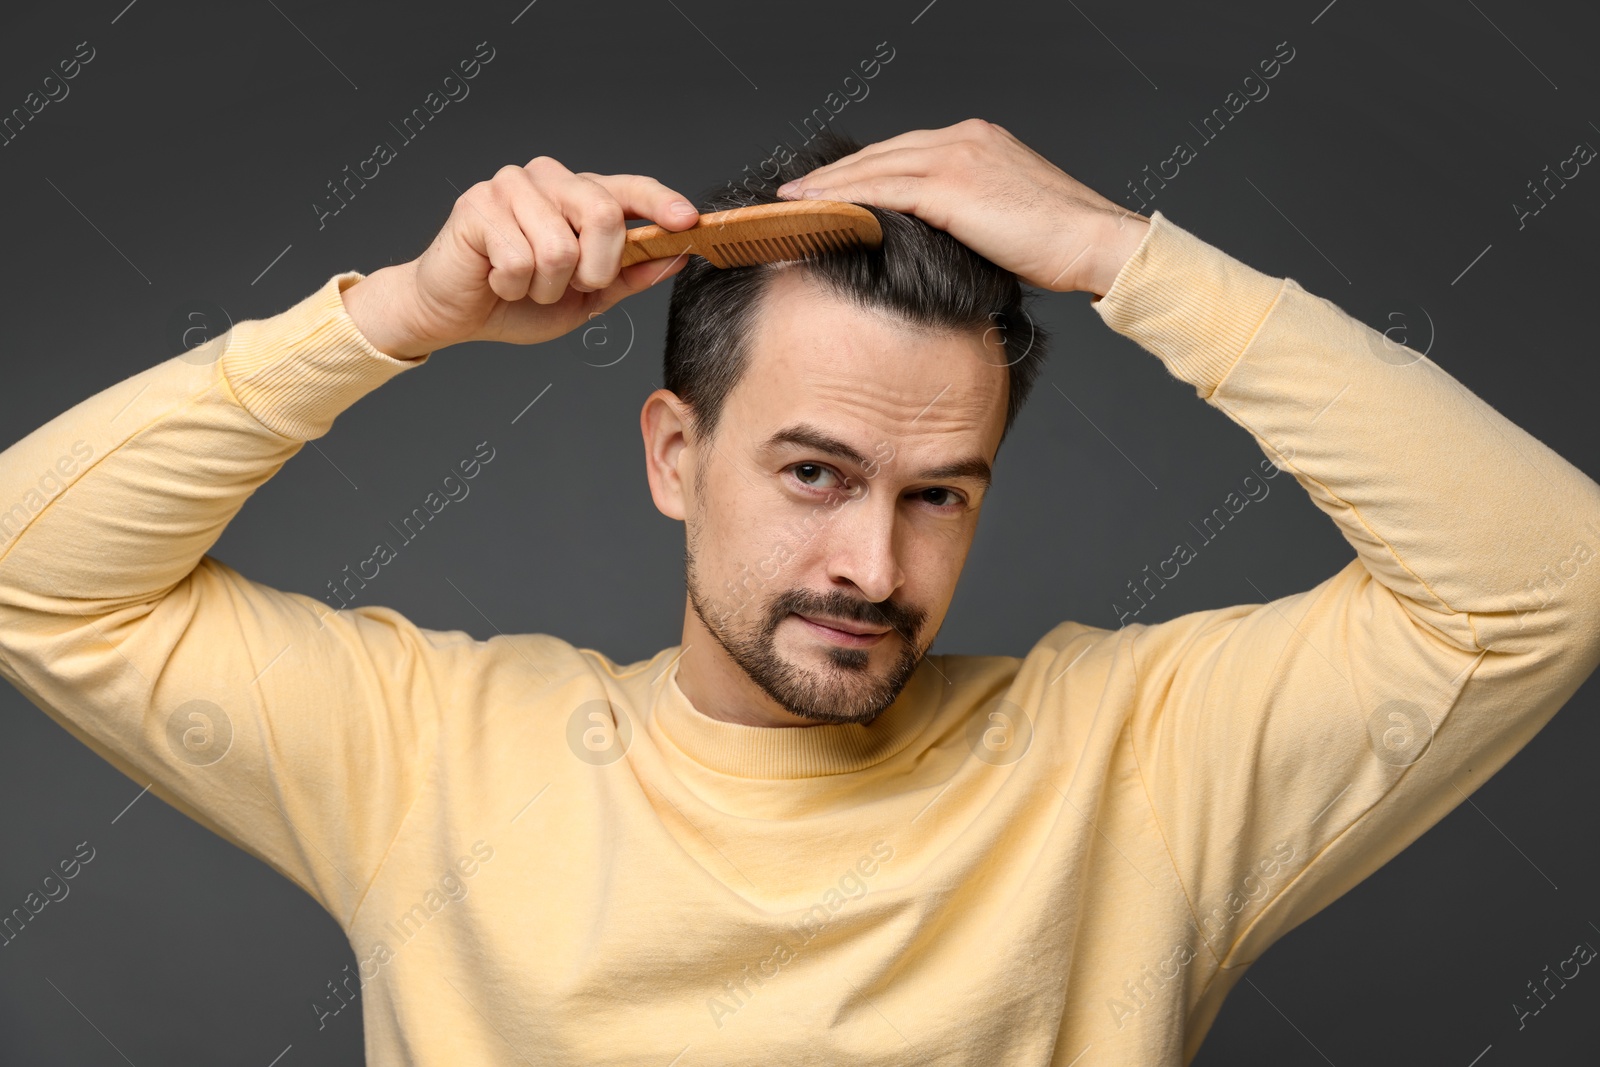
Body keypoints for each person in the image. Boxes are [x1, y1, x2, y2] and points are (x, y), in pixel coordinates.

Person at [0, 118, 1596, 1065]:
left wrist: (1127, 256)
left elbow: (1548, 578)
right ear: (674, 456)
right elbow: (35, 576)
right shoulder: (429, 754)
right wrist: (398, 316)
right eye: (815, 473)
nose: (873, 570)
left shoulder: (1141, 764)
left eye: (940, 495)